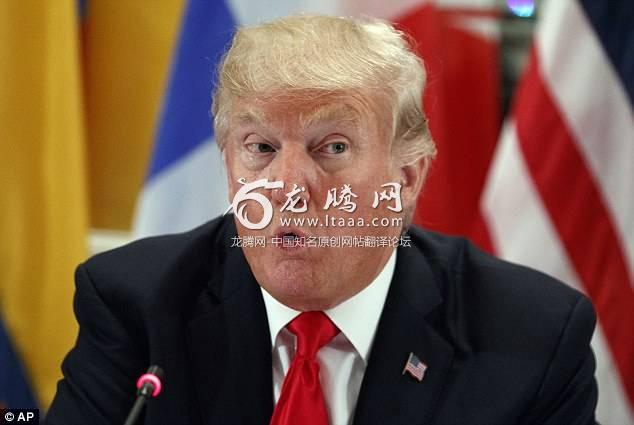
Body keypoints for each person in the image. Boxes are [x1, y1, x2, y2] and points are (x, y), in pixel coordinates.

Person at [45, 15, 598, 425]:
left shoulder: (531, 333)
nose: (286, 187)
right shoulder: (135, 304)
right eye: (259, 146)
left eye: (332, 147)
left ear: (406, 178)